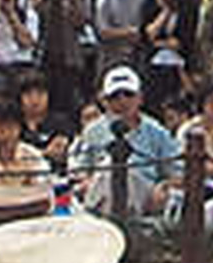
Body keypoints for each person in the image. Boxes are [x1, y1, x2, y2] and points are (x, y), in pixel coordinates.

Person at [72, 65, 181, 216]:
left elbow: (178, 172)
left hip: (144, 196)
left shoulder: (157, 133)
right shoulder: (92, 131)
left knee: (128, 172)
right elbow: (78, 170)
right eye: (115, 96)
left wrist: (163, 186)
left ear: (140, 98)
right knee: (109, 170)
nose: (122, 100)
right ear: (105, 101)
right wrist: (86, 181)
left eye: (128, 94)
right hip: (98, 196)